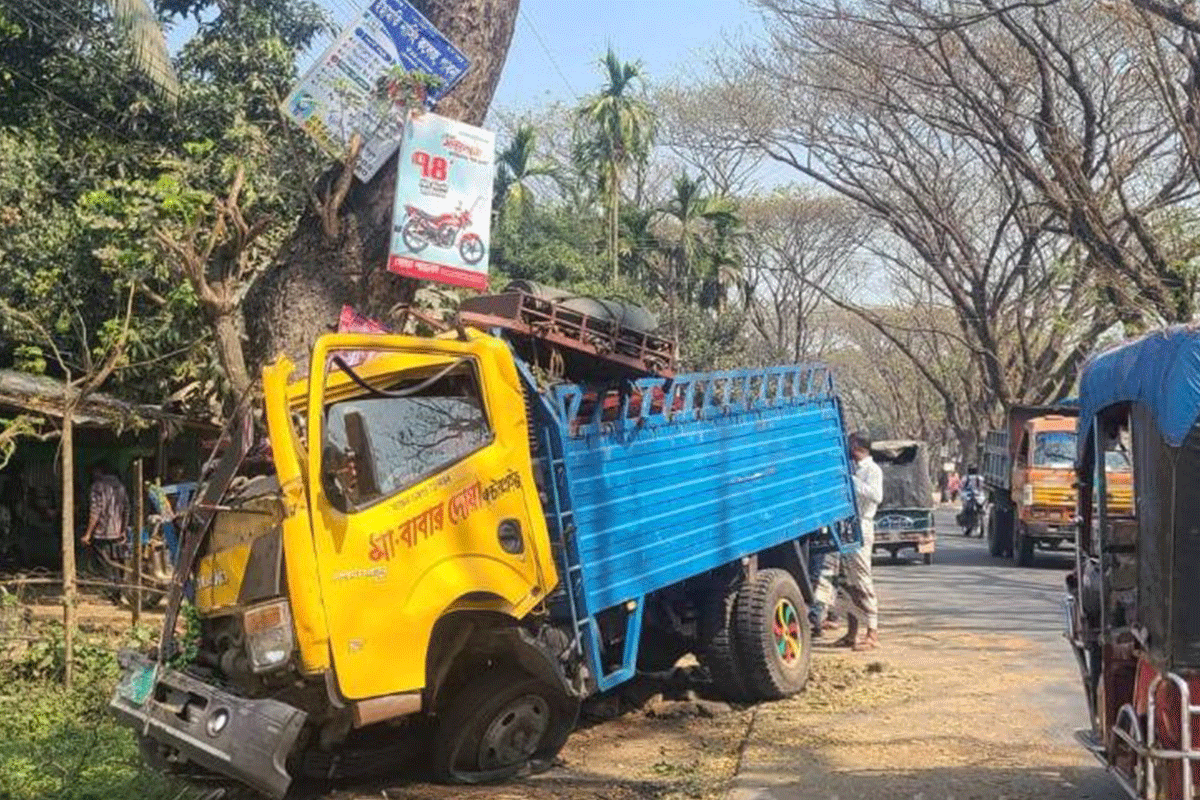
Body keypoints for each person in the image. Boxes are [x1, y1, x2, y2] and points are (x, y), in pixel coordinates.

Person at [835, 431, 882, 651]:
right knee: (848, 582)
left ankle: (872, 632)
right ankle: (851, 633)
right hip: (848, 527)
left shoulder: (872, 470)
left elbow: (876, 495)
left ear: (856, 446)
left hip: (863, 525)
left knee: (862, 579)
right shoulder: (854, 468)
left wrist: (851, 481)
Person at [82, 462, 130, 593]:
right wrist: (123, 529)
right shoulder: (120, 486)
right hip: (117, 533)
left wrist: (88, 534)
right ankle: (119, 591)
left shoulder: (97, 487)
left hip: (102, 533)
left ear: (99, 471)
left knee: (105, 564)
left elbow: (95, 511)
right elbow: (127, 509)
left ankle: (111, 592)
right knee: (117, 564)